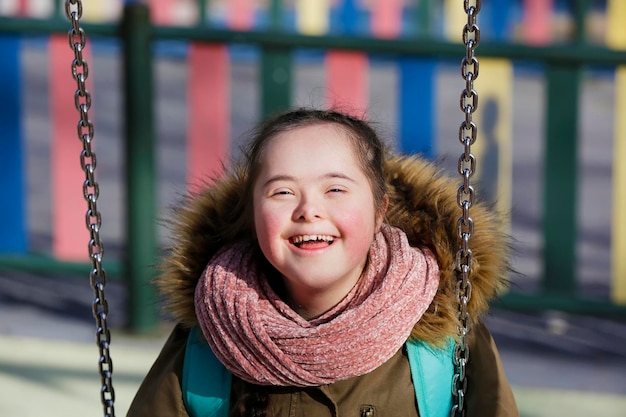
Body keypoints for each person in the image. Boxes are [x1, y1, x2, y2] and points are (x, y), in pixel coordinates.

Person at [127, 108, 519, 417]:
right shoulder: (217, 329)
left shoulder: (443, 334)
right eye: (282, 191)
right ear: (253, 213)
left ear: (379, 210)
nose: (309, 210)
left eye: (335, 189)